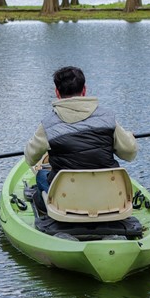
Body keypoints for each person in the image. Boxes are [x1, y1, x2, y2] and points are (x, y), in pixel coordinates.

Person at [23, 66, 138, 217]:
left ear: (57, 93)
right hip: (107, 195)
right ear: (84, 90)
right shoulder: (108, 119)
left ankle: (47, 213)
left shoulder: (48, 125)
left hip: (67, 201)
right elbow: (130, 153)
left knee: (41, 176)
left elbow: (30, 159)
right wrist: (128, 137)